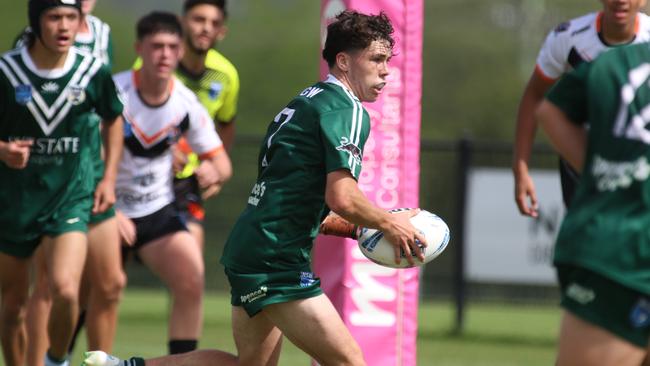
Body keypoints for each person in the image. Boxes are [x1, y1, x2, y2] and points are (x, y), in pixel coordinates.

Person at [82, 10, 426, 366]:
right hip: (275, 258)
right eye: (377, 59)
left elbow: (298, 200)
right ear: (343, 61)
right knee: (349, 362)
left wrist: (358, 229)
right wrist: (390, 221)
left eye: (388, 60)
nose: (386, 70)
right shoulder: (347, 110)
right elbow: (341, 196)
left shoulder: (307, 101)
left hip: (253, 245)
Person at [0, 0, 123, 365]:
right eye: (54, 17)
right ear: (36, 22)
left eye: (71, 17)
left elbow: (114, 119)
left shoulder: (91, 71)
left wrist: (110, 178)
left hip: (69, 198)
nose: (64, 26)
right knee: (11, 308)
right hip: (15, 202)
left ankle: (56, 360)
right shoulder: (7, 71)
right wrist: (4, 150)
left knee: (66, 290)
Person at [113, 11, 232, 355]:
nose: (164, 54)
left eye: (171, 47)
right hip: (106, 207)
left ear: (180, 52)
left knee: (191, 278)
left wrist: (215, 170)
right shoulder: (114, 93)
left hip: (156, 209)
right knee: (103, 288)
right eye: (156, 46)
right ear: (140, 49)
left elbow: (221, 161)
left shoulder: (185, 102)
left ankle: (179, 364)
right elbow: (83, 159)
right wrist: (108, 209)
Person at [534, 40, 650, 365]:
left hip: (615, 247)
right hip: (625, 255)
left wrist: (601, 175)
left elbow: (551, 111)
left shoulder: (619, 62)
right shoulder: (619, 64)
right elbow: (549, 109)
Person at [513, 0, 650, 217]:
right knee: (595, 244)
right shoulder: (569, 38)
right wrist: (521, 168)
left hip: (641, 169)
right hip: (582, 171)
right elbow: (535, 97)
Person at [172, 0, 240, 264]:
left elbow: (226, 124)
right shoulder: (158, 60)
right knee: (108, 279)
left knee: (191, 269)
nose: (205, 28)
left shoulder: (226, 75)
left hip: (187, 182)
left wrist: (216, 167)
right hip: (141, 177)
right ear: (182, 22)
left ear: (222, 31)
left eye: (214, 23)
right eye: (199, 19)